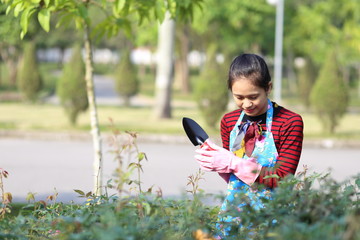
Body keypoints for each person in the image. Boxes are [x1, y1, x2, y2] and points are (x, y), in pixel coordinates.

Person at [194, 53, 304, 239]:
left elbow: (284, 178)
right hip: (233, 215)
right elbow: (233, 177)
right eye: (239, 97)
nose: (246, 104)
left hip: (272, 217)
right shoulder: (229, 121)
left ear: (268, 88)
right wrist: (218, 162)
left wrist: (234, 163)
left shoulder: (289, 122)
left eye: (253, 96)